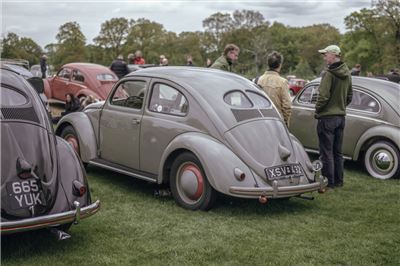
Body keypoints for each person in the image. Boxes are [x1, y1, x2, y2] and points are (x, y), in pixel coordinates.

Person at [315, 45, 353, 189]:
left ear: (333, 55)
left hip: (327, 118)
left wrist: (317, 110)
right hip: (340, 117)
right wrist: (340, 106)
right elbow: (350, 96)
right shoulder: (348, 73)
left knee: (326, 152)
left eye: (326, 54)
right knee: (337, 151)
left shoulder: (329, 73)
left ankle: (328, 182)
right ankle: (339, 181)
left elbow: (323, 96)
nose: (324, 57)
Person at [257, 51, 292, 127]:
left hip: (262, 120)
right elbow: (287, 106)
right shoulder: (282, 82)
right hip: (277, 121)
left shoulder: (259, 80)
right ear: (280, 65)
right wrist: (285, 123)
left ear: (268, 64)